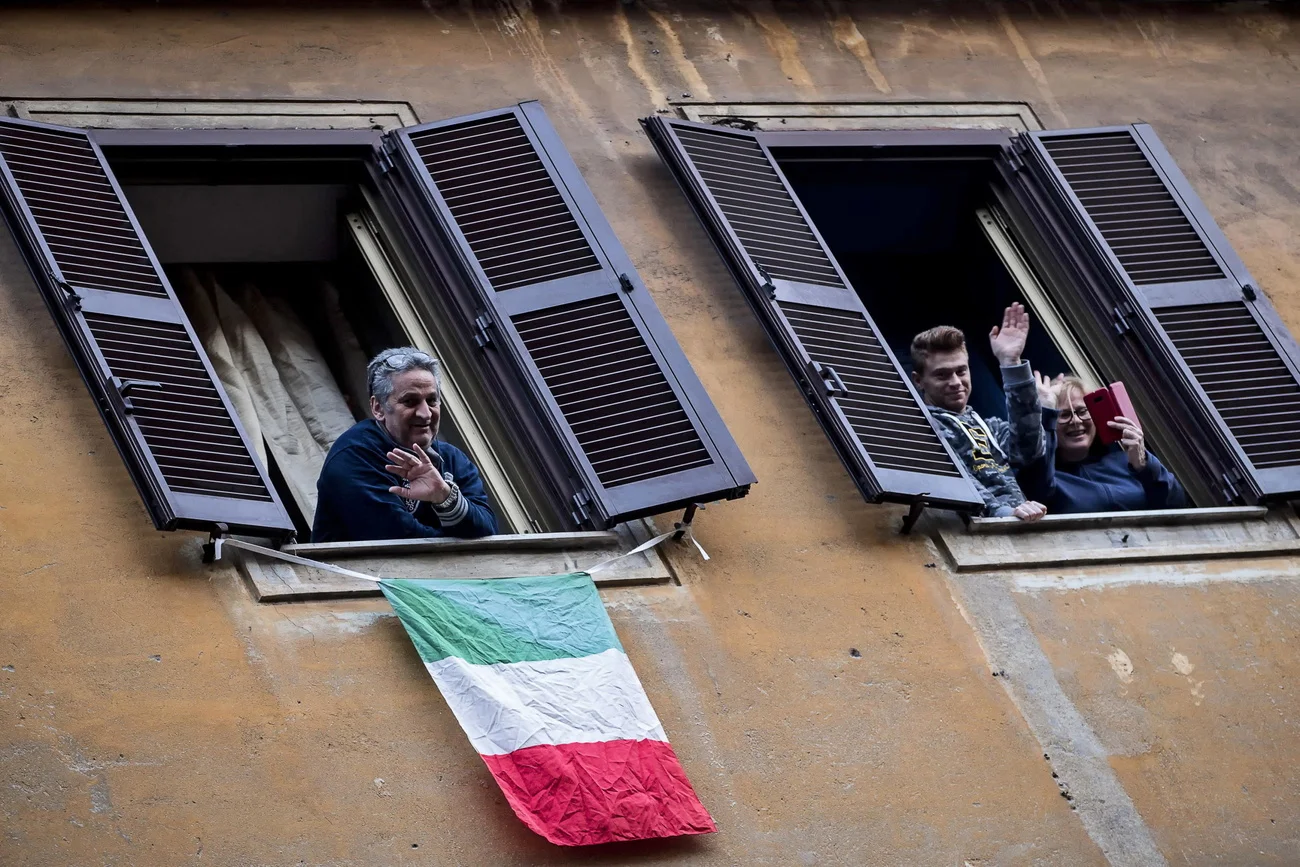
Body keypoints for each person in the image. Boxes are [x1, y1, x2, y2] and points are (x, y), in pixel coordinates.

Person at [311, 347, 498, 542]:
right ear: (378, 408)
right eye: (410, 401)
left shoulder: (453, 459)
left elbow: (487, 529)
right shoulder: (354, 455)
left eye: (432, 400)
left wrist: (445, 496)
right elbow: (398, 539)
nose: (425, 413)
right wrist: (461, 536)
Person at [910, 303, 1048, 521]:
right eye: (942, 375)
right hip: (978, 538)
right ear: (919, 380)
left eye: (961, 371)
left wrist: (1011, 363)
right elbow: (959, 482)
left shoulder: (989, 426)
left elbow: (1029, 450)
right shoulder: (922, 428)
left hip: (1016, 529)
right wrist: (1004, 515)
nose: (955, 382)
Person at [1019, 374, 1186, 513]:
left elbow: (1176, 503)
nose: (1076, 421)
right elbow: (1037, 489)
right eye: (1064, 415)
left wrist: (1143, 464)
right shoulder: (1046, 477)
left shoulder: (1125, 462)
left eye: (1082, 411)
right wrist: (1046, 412)